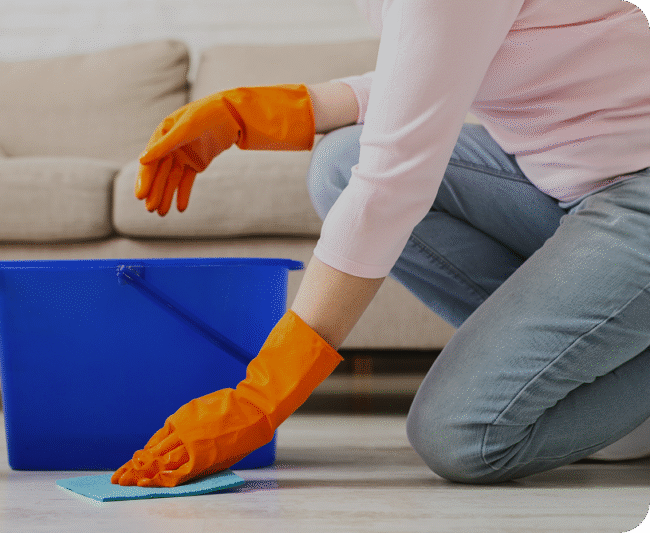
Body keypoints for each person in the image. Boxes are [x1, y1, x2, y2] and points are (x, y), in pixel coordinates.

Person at [112, 0, 650, 487]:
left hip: (636, 194)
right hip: (570, 188)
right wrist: (249, 114)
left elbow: (390, 187)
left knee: (461, 435)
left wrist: (261, 399)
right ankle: (595, 358)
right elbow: (427, 74)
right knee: (340, 163)